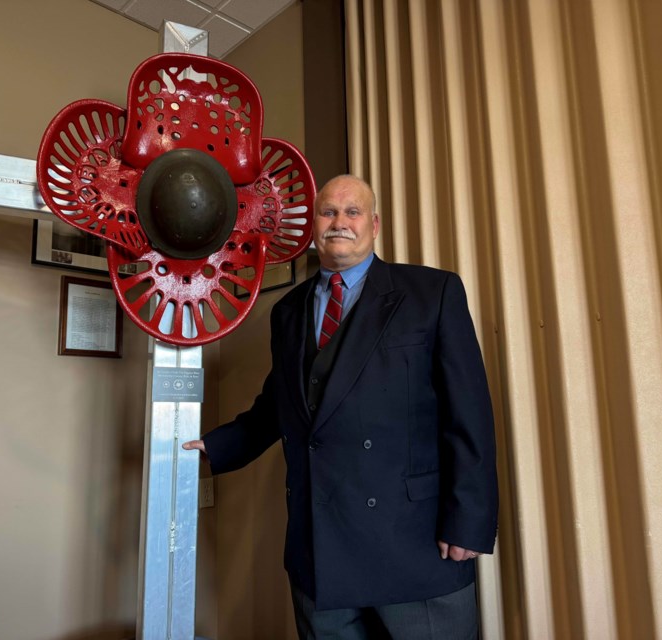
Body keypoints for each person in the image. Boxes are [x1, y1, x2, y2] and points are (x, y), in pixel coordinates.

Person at [183, 174, 498, 639]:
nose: (339, 223)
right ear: (314, 225)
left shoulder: (433, 293)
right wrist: (215, 446)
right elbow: (281, 404)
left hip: (417, 542)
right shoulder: (287, 311)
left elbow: (468, 413)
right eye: (328, 212)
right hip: (321, 548)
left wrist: (468, 521)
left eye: (352, 213)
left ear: (374, 224)